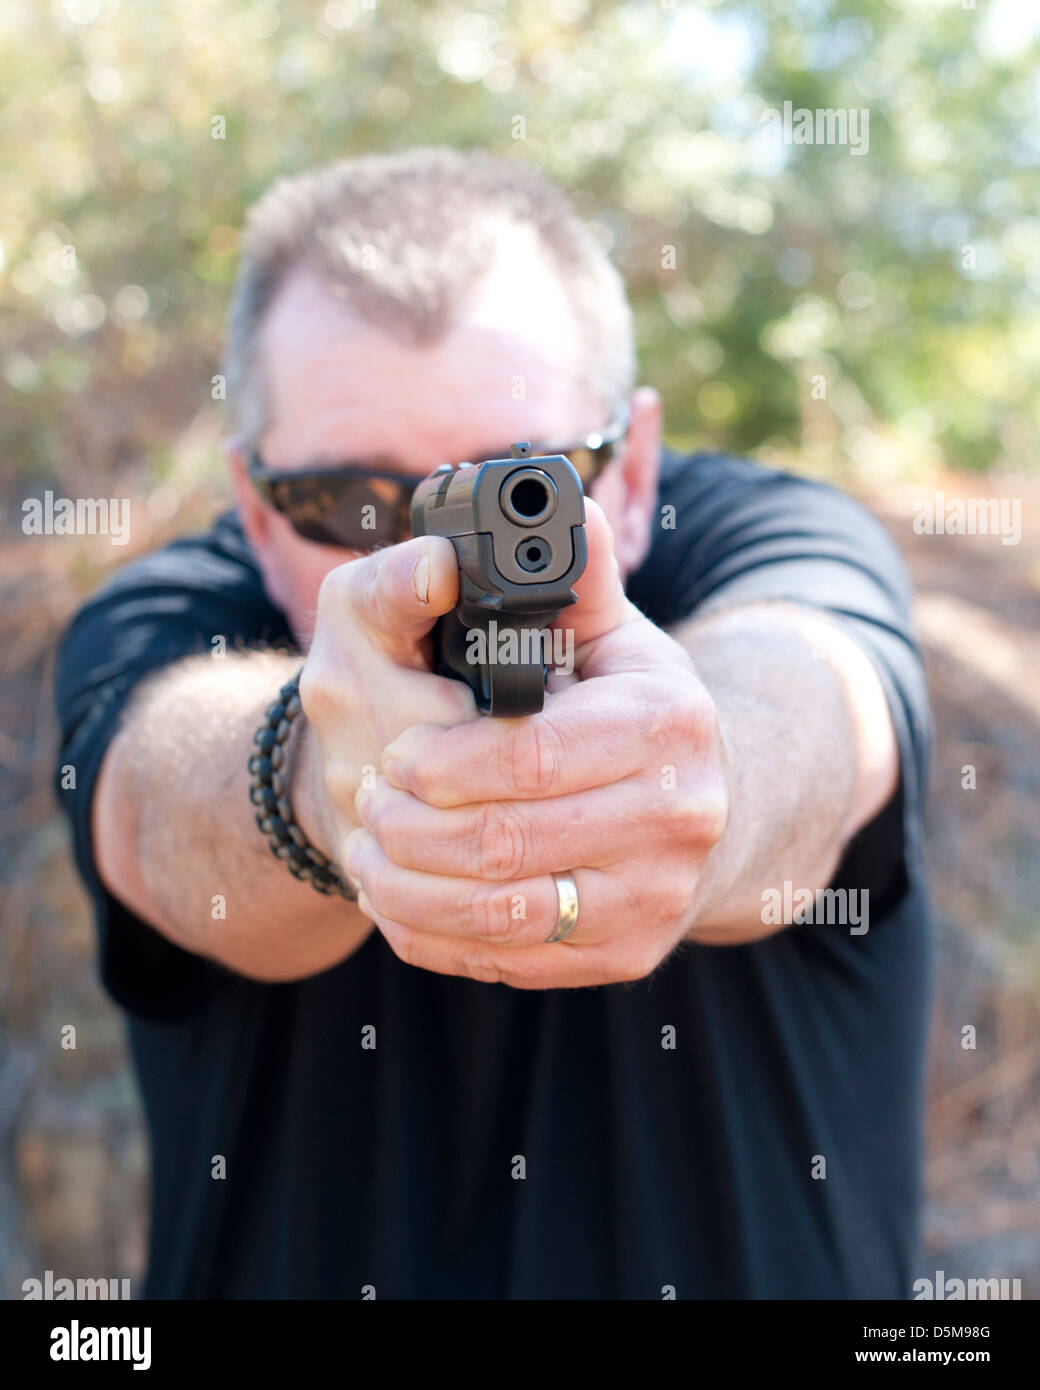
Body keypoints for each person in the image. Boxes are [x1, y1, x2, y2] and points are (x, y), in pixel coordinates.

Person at [54, 146, 932, 1299]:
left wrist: (699, 777)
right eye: (354, 502)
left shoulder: (762, 540)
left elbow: (814, 697)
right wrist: (314, 786)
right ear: (256, 513)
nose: (436, 558)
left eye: (525, 484)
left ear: (630, 472)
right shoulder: (167, 615)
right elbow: (156, 801)